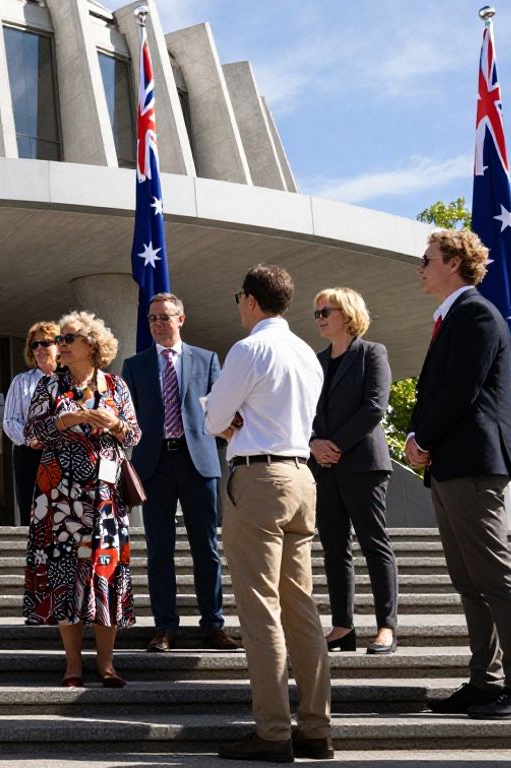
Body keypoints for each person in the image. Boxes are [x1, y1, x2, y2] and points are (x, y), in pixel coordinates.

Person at [205, 264, 332, 763]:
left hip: (259, 478)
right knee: (301, 608)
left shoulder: (250, 348)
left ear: (252, 301)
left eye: (240, 297)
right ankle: (316, 728)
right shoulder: (306, 352)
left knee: (259, 609)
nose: (239, 305)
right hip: (301, 476)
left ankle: (274, 731)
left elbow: (214, 417)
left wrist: (231, 424)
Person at [409, 230, 511, 720]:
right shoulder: (452, 316)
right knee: (468, 580)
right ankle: (486, 680)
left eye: (427, 259)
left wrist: (422, 439)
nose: (421, 267)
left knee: (494, 576)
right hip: (452, 466)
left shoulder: (475, 314)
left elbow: (461, 389)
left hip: (474, 464)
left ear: (453, 262)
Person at [23, 311, 140, 688]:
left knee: (107, 574)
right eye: (60, 339)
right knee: (63, 573)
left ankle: (106, 665)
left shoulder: (115, 385)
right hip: (59, 496)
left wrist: (114, 424)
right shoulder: (49, 386)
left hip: (105, 498)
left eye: (68, 339)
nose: (60, 345)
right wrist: (65, 421)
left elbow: (135, 435)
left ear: (91, 345)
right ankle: (73, 664)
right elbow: (31, 434)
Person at [120, 293, 239, 653]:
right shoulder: (135, 365)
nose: (158, 323)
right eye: (153, 318)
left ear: (181, 319)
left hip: (197, 463)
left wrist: (209, 447)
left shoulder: (206, 359)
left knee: (206, 548)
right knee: (159, 551)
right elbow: (130, 421)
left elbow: (222, 413)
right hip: (154, 466)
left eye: (164, 317)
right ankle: (165, 627)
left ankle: (213, 625)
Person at [310, 287, 398, 655]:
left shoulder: (372, 353)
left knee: (374, 544)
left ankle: (386, 627)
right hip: (324, 466)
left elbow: (374, 407)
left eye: (324, 311)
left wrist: (337, 446)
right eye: (316, 313)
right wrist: (315, 442)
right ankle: (343, 627)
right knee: (333, 547)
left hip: (362, 464)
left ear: (346, 313)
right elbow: (305, 409)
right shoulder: (315, 360)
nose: (318, 319)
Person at [3, 322, 58, 526]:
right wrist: (29, 439)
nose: (39, 349)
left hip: (64, 454)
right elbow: (10, 420)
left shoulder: (71, 381)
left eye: (45, 343)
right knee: (32, 514)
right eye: (34, 345)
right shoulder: (21, 381)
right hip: (29, 455)